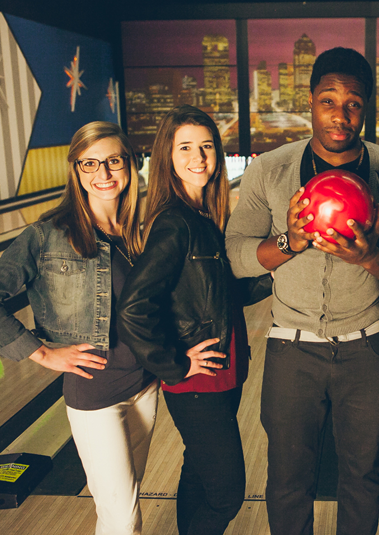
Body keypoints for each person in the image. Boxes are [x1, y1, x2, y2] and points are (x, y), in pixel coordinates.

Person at [225, 47, 379, 535]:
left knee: (363, 476)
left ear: (368, 107)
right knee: (287, 481)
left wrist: (371, 258)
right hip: (291, 348)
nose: (341, 115)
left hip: (367, 349)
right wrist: (288, 243)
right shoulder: (269, 171)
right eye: (329, 101)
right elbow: (235, 255)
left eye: (354, 103)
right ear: (311, 101)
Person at [0, 122, 157, 535]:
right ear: (76, 170)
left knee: (118, 508)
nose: (103, 174)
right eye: (89, 163)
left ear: (130, 164)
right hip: (94, 394)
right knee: (124, 520)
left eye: (113, 161)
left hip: (145, 386)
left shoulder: (139, 233)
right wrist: (40, 352)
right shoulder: (49, 235)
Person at [117, 105, 248, 535]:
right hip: (198, 381)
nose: (199, 157)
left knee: (197, 473)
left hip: (222, 374)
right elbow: (134, 308)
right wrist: (175, 362)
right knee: (228, 492)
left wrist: (284, 258)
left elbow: (222, 292)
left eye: (207, 146)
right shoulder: (176, 223)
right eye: (186, 147)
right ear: (167, 157)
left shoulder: (203, 218)